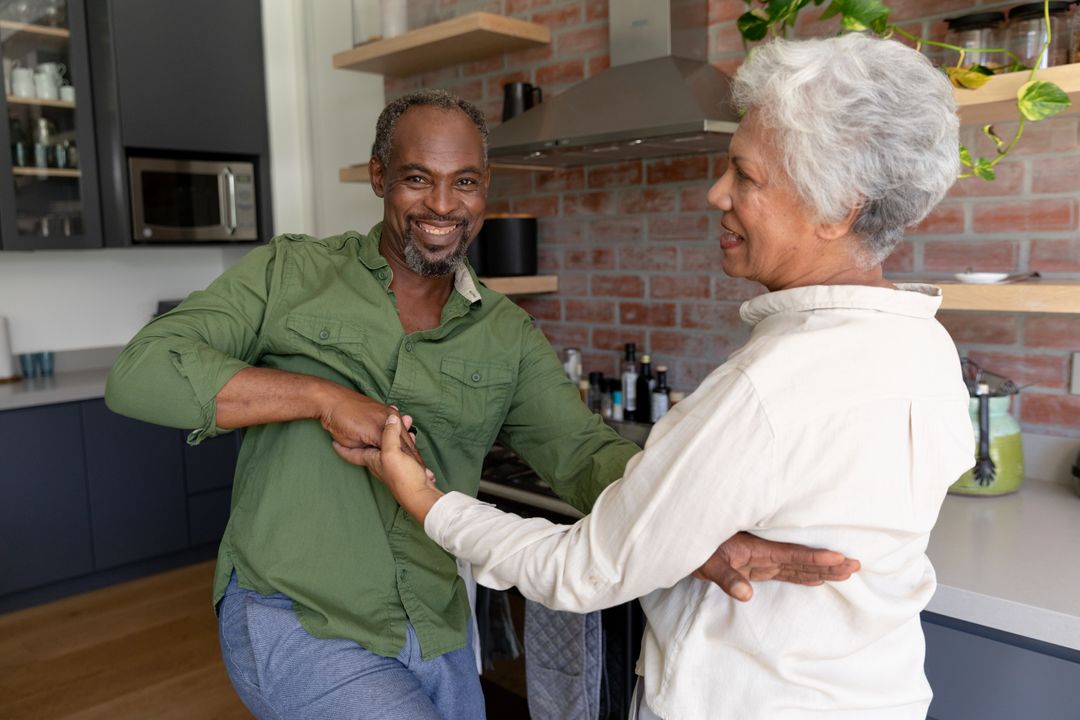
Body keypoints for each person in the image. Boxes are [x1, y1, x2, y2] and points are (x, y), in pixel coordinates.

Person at [104, 88, 858, 719]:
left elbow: (586, 456)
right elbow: (142, 372)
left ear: (485, 189)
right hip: (299, 617)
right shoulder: (288, 273)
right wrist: (320, 396)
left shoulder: (503, 335)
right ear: (377, 177)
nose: (442, 204)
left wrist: (692, 530)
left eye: (463, 182)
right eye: (416, 179)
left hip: (436, 630)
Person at [345, 35, 974, 720]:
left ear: (837, 209)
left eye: (747, 176)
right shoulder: (925, 345)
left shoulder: (771, 387)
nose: (716, 193)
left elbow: (583, 568)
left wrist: (426, 499)